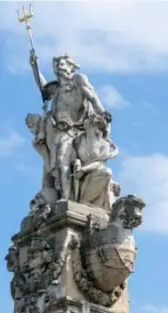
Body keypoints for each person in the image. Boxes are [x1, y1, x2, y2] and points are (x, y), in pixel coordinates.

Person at [29, 52, 111, 201]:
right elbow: (43, 88)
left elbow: (92, 96)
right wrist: (35, 68)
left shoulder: (79, 80)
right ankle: (62, 195)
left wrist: (103, 113)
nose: (58, 68)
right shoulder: (57, 89)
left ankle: (66, 198)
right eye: (56, 66)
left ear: (70, 67)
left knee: (62, 161)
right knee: (54, 166)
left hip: (73, 130)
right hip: (57, 131)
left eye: (61, 64)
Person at [73, 115, 120, 211]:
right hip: (77, 172)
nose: (84, 121)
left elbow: (100, 163)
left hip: (95, 171)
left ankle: (85, 200)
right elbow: (73, 155)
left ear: (92, 125)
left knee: (107, 172)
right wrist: (77, 163)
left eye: (87, 120)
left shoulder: (104, 144)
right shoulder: (79, 139)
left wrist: (84, 169)